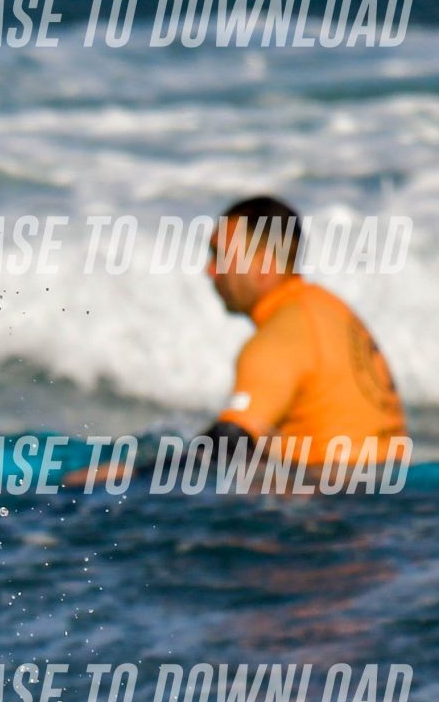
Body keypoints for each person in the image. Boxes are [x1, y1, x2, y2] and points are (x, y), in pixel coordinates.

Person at [69, 196, 408, 488]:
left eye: (220, 256)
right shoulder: (331, 311)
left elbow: (230, 443)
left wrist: (134, 476)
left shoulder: (279, 339)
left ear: (263, 264)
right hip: (384, 488)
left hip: (334, 505)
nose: (210, 270)